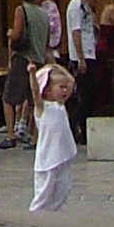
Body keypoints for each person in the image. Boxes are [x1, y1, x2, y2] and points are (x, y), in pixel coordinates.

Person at [0, 0, 49, 147]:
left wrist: (10, 33)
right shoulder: (44, 14)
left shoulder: (21, 10)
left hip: (23, 58)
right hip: (39, 59)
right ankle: (35, 139)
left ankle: (10, 136)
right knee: (35, 100)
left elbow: (17, 33)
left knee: (8, 98)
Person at [29, 62, 78, 213]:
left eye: (65, 88)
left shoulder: (61, 105)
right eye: (60, 87)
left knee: (63, 189)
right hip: (47, 160)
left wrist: (55, 66)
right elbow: (35, 91)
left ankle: (55, 215)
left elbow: (71, 81)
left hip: (62, 157)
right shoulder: (42, 108)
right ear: (48, 91)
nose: (64, 90)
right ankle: (34, 217)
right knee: (44, 193)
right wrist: (32, 73)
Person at [65, 0, 100, 135]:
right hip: (83, 54)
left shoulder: (86, 6)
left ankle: (85, 130)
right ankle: (75, 120)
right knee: (89, 91)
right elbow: (75, 31)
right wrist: (80, 58)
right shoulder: (76, 5)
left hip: (90, 51)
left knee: (90, 92)